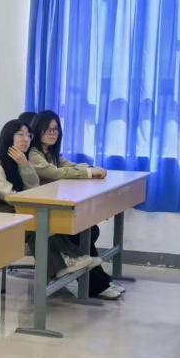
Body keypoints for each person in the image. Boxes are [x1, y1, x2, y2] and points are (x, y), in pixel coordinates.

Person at [0, 119, 90, 281]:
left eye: (29, 135)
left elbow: (32, 189)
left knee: (44, 218)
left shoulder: (16, 159)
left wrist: (25, 165)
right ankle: (65, 262)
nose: (26, 139)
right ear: (8, 137)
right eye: (20, 134)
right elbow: (11, 197)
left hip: (2, 210)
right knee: (35, 220)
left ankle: (67, 261)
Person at [28, 111, 122, 300]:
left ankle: (99, 282)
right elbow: (55, 173)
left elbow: (68, 166)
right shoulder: (34, 154)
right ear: (38, 131)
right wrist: (90, 173)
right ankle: (96, 286)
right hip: (40, 212)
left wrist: (90, 169)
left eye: (55, 129)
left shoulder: (51, 153)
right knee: (81, 234)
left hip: (54, 208)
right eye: (47, 129)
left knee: (89, 230)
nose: (52, 133)